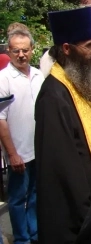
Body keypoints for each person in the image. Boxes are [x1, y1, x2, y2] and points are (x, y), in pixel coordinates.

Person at [34, 7, 91, 243]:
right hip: (78, 215)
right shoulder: (53, 96)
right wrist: (89, 211)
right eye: (89, 45)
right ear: (66, 48)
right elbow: (60, 167)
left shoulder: (76, 83)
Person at [0, 27, 43, 244]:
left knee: (35, 195)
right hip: (19, 151)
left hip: (38, 150)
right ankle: (22, 239)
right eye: (16, 51)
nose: (21, 55)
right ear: (9, 50)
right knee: (18, 199)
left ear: (32, 50)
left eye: (25, 50)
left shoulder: (38, 75)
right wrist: (12, 153)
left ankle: (34, 234)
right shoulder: (3, 79)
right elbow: (0, 120)